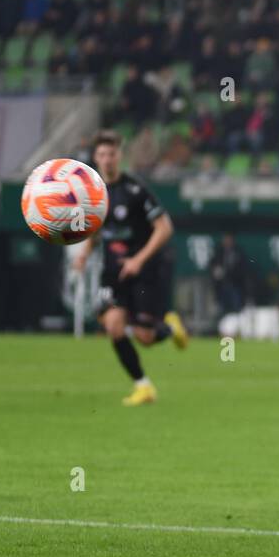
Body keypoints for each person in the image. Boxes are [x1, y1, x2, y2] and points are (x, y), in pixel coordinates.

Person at [73, 130, 188, 407]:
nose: (107, 159)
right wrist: (85, 254)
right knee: (113, 326)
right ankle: (143, 386)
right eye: (101, 155)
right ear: (95, 158)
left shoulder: (135, 190)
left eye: (111, 154)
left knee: (144, 336)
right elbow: (98, 230)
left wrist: (139, 260)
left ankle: (170, 328)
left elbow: (164, 228)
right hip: (113, 270)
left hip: (142, 268)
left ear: (119, 156)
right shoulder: (94, 194)